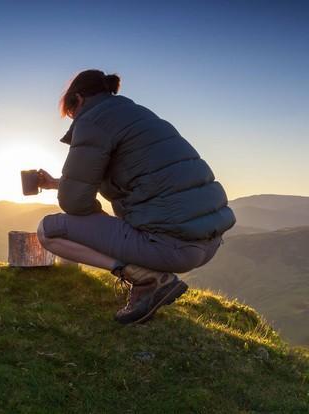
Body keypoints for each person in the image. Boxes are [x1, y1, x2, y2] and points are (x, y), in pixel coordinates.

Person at [36, 70, 235, 324]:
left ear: (78, 99)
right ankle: (149, 276)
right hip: (208, 242)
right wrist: (56, 183)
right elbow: (140, 176)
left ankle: (145, 278)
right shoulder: (138, 116)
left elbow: (73, 203)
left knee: (48, 230)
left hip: (172, 247)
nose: (73, 119)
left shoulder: (92, 121)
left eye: (71, 112)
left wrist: (94, 215)